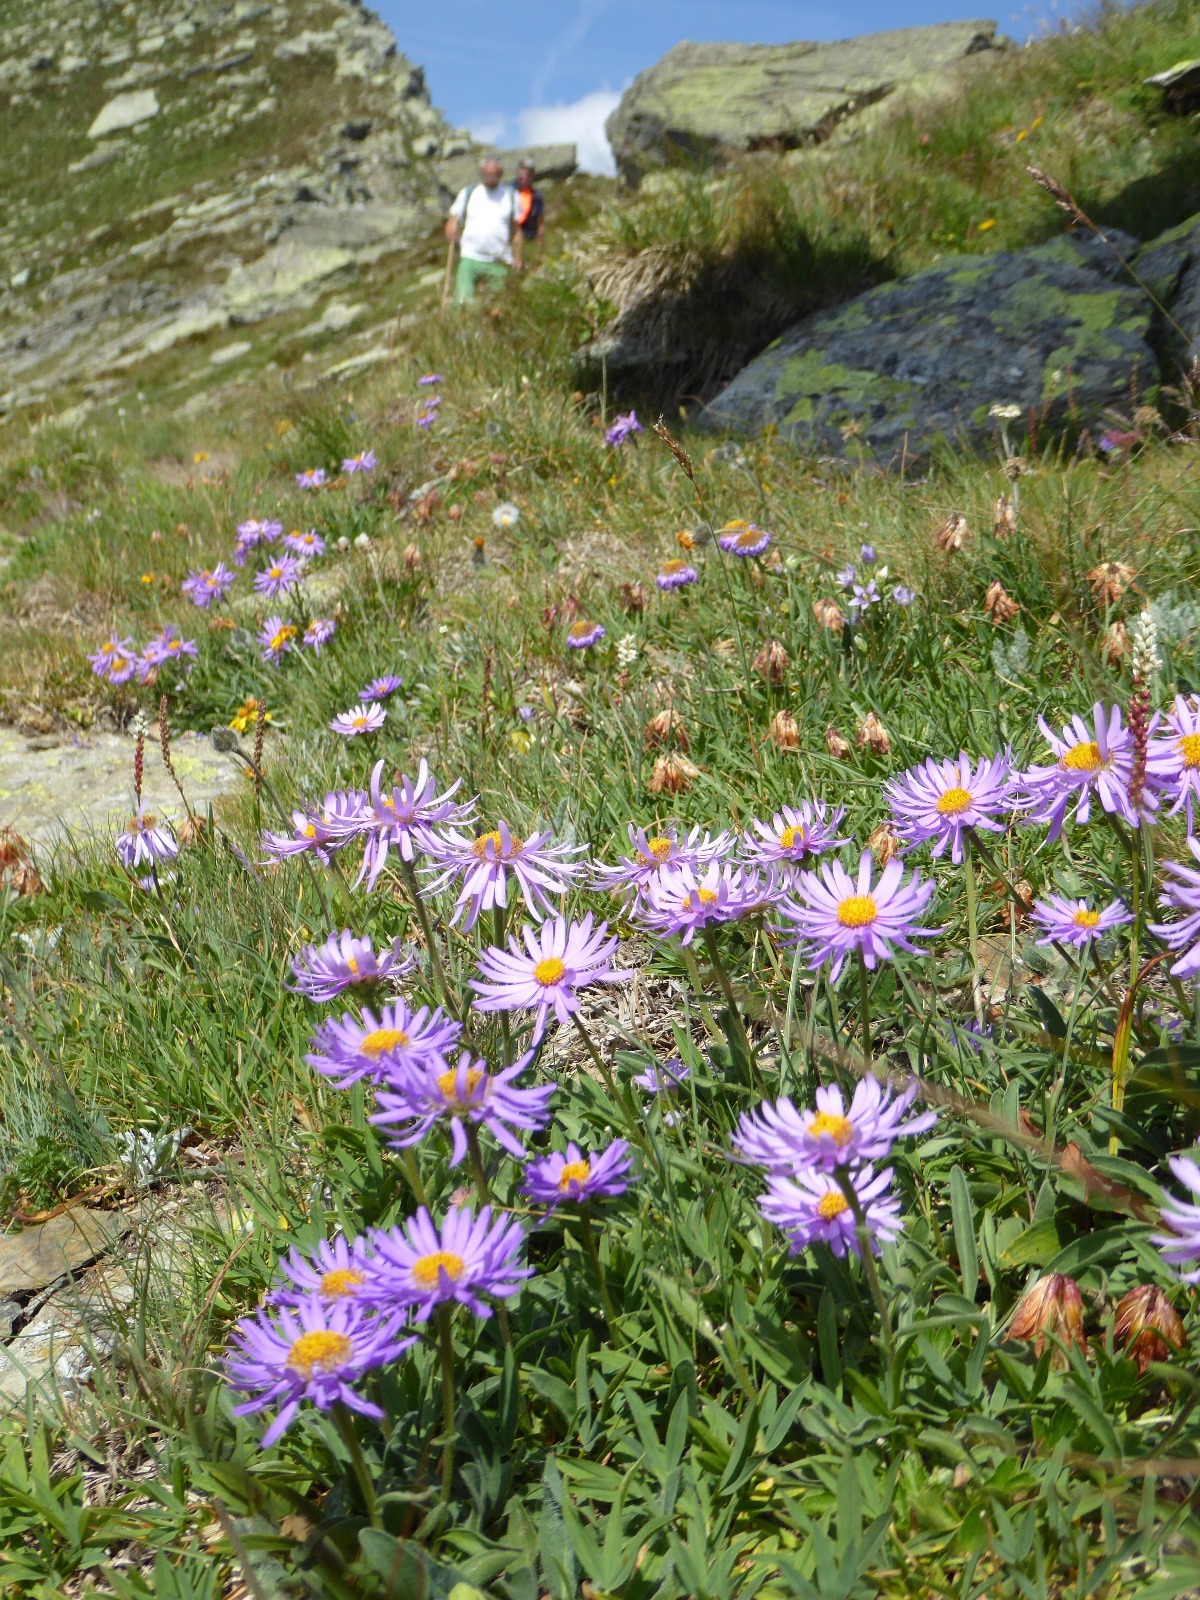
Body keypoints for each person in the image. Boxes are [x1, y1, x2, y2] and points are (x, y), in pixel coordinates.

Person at [445, 158, 521, 303]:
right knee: (463, 302)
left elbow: (517, 231)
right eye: (486, 175)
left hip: (499, 259)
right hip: (470, 256)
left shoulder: (511, 196)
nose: (490, 179)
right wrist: (451, 227)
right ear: (481, 174)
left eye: (495, 175)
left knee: (498, 304)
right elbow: (454, 218)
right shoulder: (469, 193)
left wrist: (517, 257)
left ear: (501, 174)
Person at [514, 159, 545, 257]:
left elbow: (540, 223)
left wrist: (538, 252)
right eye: (521, 177)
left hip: (529, 238)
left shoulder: (537, 196)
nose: (524, 180)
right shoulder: (509, 192)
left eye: (527, 177)